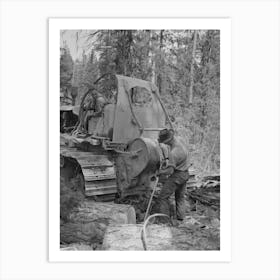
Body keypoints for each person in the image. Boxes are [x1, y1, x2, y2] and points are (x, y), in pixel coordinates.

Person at [154, 128, 190, 222]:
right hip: (185, 173)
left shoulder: (174, 153)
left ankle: (164, 221)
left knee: (162, 197)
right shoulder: (179, 141)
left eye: (165, 142)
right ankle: (181, 219)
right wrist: (169, 163)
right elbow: (173, 164)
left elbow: (169, 171)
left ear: (168, 140)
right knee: (180, 197)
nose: (165, 144)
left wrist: (160, 172)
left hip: (178, 175)